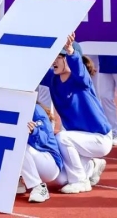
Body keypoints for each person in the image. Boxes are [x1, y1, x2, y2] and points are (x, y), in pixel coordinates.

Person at [39, 33, 112, 194]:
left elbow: (80, 71)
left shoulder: (81, 81)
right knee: (60, 179)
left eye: (60, 57)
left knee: (62, 138)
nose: (54, 61)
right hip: (79, 140)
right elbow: (32, 71)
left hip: (99, 138)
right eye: (54, 57)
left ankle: (80, 181)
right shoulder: (53, 79)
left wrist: (71, 51)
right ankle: (93, 166)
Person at [16, 102, 65, 203]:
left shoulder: (36, 110)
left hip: (50, 163)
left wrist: (34, 131)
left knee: (19, 146)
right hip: (35, 160)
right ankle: (17, 181)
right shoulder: (10, 106)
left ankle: (39, 187)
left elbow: (45, 139)